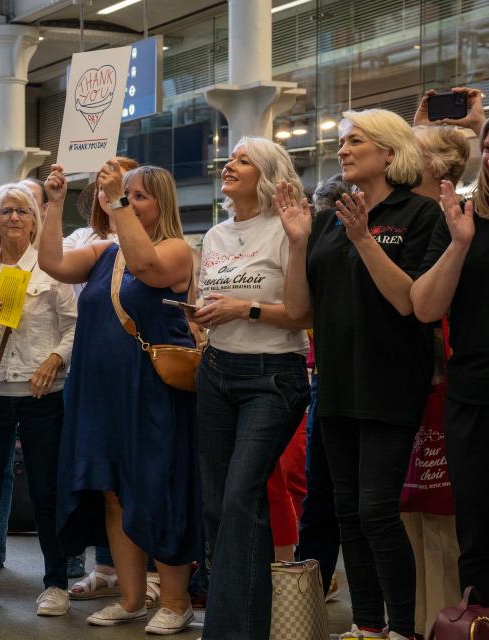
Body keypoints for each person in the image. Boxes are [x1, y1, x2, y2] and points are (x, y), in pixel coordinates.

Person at [278, 108, 441, 640]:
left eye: (356, 142)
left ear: (389, 154)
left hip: (392, 380)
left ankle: (402, 627)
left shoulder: (420, 216)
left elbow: (410, 303)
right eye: (342, 143)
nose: (343, 150)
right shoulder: (328, 219)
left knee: (376, 511)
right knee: (347, 511)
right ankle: (367, 623)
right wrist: (299, 242)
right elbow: (302, 310)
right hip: (336, 381)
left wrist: (365, 239)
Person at [42, 161, 201, 635]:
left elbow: (149, 267)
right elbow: (51, 262)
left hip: (151, 391)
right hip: (99, 390)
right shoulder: (102, 253)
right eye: (122, 195)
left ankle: (176, 600)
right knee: (114, 492)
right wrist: (52, 205)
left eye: (138, 197)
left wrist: (114, 202)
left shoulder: (176, 250)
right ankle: (132, 598)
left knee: (159, 488)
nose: (126, 202)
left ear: (161, 205)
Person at [193, 137, 311, 640]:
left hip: (273, 376)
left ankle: (231, 631)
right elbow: (208, 300)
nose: (228, 164)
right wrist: (201, 317)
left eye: (242, 160)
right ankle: (243, 622)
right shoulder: (217, 235)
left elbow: (304, 315)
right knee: (219, 503)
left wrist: (244, 308)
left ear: (266, 175)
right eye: (230, 157)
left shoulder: (288, 230)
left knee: (242, 496)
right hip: (217, 370)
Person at [0, 182, 76, 616]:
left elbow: (73, 326)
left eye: (23, 211)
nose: (14, 217)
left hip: (42, 392)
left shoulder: (51, 268)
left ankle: (56, 582)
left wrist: (54, 358)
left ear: (36, 220)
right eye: (5, 211)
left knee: (47, 489)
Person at [410, 117, 489, 612]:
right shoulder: (457, 218)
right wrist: (459, 243)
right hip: (475, 394)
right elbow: (424, 306)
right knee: (478, 535)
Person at [400, 122, 470, 635]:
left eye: (414, 147)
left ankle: (447, 621)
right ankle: (418, 620)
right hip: (401, 380)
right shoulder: (402, 215)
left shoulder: (457, 218)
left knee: (441, 510)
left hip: (445, 378)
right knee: (408, 509)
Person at [63, 156, 141, 602]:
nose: (106, 188)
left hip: (133, 368)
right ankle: (108, 568)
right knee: (99, 475)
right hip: (89, 366)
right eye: (101, 183)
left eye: (118, 182)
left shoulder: (154, 239)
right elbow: (55, 272)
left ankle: (149, 573)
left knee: (138, 474)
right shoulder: (86, 240)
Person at [295, 174, 350, 602]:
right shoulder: (311, 241)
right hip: (322, 376)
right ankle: (308, 589)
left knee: (345, 497)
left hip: (350, 374)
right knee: (321, 491)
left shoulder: (341, 239)